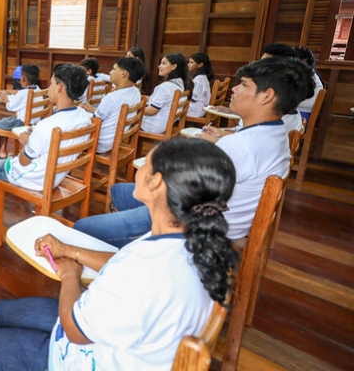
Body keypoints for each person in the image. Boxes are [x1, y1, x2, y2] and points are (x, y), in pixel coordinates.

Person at [0, 138, 238, 371]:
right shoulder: (193, 241)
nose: (140, 166)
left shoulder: (144, 272)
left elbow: (73, 330)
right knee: (0, 313)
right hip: (115, 338)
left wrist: (70, 275)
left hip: (87, 355)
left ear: (155, 183)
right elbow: (120, 264)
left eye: (146, 162)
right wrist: (70, 250)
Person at [76, 57, 312, 247]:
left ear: (267, 96)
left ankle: (138, 251)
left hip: (193, 227)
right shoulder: (277, 133)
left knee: (82, 229)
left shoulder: (241, 146)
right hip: (217, 216)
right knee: (119, 190)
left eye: (244, 85)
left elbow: (181, 195)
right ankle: (129, 237)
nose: (235, 89)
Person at [0, 63, 91, 191]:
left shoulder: (47, 125)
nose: (49, 88)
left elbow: (23, 161)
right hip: (58, 175)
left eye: (51, 84)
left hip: (35, 178)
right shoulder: (85, 117)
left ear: (59, 88)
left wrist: (27, 142)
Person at [82, 57, 144, 154]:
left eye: (114, 69)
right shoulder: (136, 92)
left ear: (124, 73)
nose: (110, 72)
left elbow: (95, 120)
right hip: (116, 140)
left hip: (99, 143)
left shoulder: (112, 97)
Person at [0, 64, 42, 160]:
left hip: (22, 123)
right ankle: (2, 151)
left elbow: (11, 107)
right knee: (6, 121)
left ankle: (0, 153)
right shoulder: (38, 89)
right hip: (34, 123)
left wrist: (5, 98)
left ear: (23, 79)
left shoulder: (23, 93)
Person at [141, 53, 192, 134]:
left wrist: (136, 108)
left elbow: (151, 111)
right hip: (164, 124)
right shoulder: (181, 84)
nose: (159, 66)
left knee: (122, 117)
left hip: (151, 126)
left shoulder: (165, 87)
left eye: (163, 63)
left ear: (174, 66)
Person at [295, 46, 324, 121]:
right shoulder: (309, 72)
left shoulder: (307, 74)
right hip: (299, 110)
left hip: (302, 113)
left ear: (304, 60)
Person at [187, 52, 214, 118]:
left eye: (191, 62)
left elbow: (194, 98)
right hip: (199, 106)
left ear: (200, 64)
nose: (188, 64)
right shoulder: (201, 77)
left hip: (197, 109)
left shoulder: (199, 78)